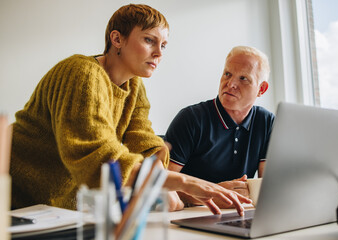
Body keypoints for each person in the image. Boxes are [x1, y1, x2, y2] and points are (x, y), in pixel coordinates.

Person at [10, 4, 251, 216]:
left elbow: (145, 143)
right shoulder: (82, 73)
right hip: (18, 203)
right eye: (149, 40)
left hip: (62, 212)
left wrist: (168, 187)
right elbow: (98, 157)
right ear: (117, 39)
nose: (158, 53)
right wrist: (183, 182)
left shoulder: (134, 86)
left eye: (163, 45)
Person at [165, 46, 275, 208]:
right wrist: (211, 194)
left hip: (239, 213)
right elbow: (161, 186)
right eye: (227, 74)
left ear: (261, 89)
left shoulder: (266, 121)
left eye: (243, 78)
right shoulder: (190, 118)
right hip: (192, 214)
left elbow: (269, 190)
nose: (231, 84)